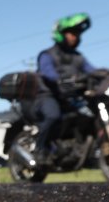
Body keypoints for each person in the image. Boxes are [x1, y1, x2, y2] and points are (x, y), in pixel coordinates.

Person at [31, 12, 97, 158]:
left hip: (69, 96)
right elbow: (47, 71)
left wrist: (107, 73)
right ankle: (39, 149)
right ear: (60, 34)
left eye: (77, 34)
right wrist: (59, 79)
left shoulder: (78, 57)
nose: (75, 37)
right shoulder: (47, 54)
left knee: (88, 115)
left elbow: (91, 70)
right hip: (48, 95)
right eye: (72, 33)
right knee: (53, 115)